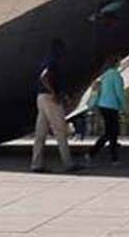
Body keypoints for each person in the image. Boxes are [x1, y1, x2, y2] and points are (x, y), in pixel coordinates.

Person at [30, 39, 82, 173]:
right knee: (60, 130)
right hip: (49, 98)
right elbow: (44, 77)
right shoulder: (53, 61)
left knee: (40, 133)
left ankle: (36, 164)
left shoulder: (45, 60)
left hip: (40, 97)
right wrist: (54, 93)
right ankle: (68, 163)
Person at [87, 56, 126, 165]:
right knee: (110, 132)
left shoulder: (103, 76)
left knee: (112, 132)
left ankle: (114, 158)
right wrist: (124, 106)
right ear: (117, 63)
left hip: (103, 106)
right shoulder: (116, 75)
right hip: (112, 106)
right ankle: (92, 153)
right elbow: (119, 93)